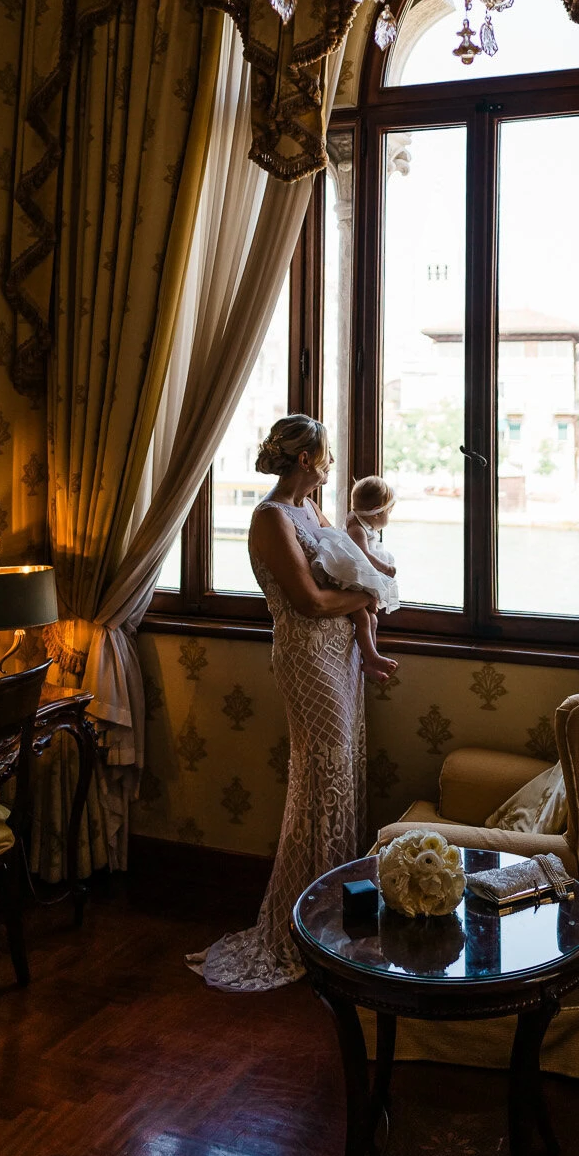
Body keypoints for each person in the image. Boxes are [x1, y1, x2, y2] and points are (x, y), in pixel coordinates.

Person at [186, 415, 386, 992]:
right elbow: (309, 600)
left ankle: (338, 919)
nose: (328, 465)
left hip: (342, 655)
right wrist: (366, 593)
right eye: (324, 457)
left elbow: (342, 569)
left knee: (342, 776)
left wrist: (366, 620)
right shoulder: (270, 517)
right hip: (306, 658)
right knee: (320, 781)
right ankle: (302, 925)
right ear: (305, 460)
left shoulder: (312, 511)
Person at [306, 473, 399, 681]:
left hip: (356, 580)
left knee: (372, 620)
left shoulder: (360, 522)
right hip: (349, 581)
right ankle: (372, 657)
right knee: (364, 619)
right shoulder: (357, 528)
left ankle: (369, 660)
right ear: (376, 514)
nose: (388, 518)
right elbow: (363, 555)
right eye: (388, 512)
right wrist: (384, 567)